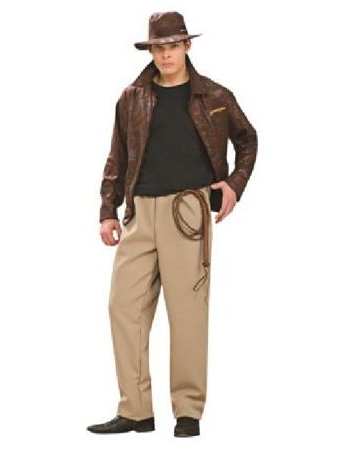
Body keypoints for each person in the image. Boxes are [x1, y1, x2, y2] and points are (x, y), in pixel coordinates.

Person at [87, 11, 258, 437]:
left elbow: (247, 139)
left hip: (188, 210)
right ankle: (136, 410)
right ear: (151, 50)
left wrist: (234, 185)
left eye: (173, 46)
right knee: (123, 307)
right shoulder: (132, 97)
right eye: (158, 47)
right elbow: (116, 157)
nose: (165, 55)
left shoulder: (214, 95)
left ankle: (188, 411)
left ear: (187, 46)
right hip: (140, 213)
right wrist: (108, 210)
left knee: (187, 313)